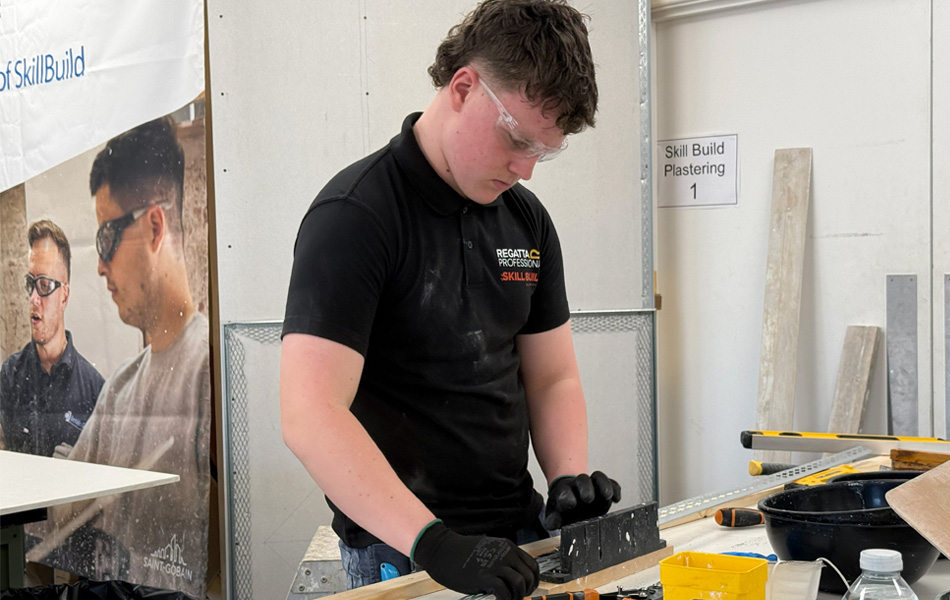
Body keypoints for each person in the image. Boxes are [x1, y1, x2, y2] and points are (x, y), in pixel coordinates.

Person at [280, 2, 620, 599]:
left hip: (517, 530)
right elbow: (310, 413)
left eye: (543, 151)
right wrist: (430, 540)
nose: (526, 170)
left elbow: (552, 378)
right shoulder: (355, 218)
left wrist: (566, 478)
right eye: (517, 139)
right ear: (464, 87)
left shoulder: (527, 222)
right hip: (403, 547)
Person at [40, 117, 211, 599]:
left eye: (105, 239)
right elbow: (68, 503)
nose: (99, 265)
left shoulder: (209, 372)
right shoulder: (120, 388)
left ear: (154, 226)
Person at [1, 219, 104, 458]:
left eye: (44, 285)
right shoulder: (9, 376)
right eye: (30, 284)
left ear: (64, 296)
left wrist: (81, 470)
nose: (34, 298)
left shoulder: (94, 390)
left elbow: (107, 481)